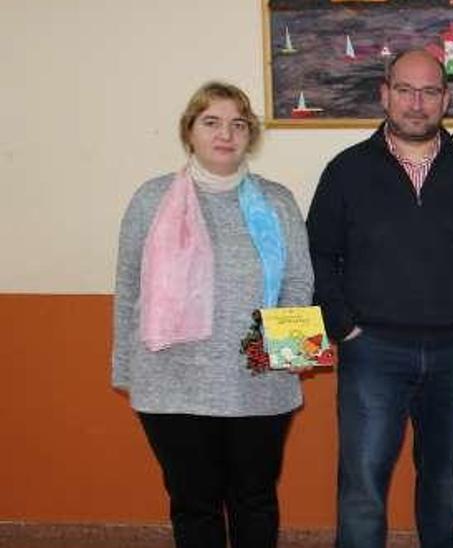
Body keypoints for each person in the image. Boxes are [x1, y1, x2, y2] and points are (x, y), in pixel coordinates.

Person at [306, 50, 453, 548]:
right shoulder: (346, 171)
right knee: (362, 486)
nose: (417, 103)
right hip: (372, 351)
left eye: (429, 92)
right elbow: (318, 254)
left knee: (445, 484)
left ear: (446, 100)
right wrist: (343, 328)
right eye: (405, 90)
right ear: (384, 94)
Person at [112, 81, 314, 547]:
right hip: (170, 381)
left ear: (250, 136)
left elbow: (299, 282)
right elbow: (127, 286)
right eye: (212, 122)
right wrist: (124, 367)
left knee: (255, 498)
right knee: (194, 504)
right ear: (190, 132)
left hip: (258, 384)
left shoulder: (278, 201)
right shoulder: (151, 199)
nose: (226, 134)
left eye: (238, 124)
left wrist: (286, 359)